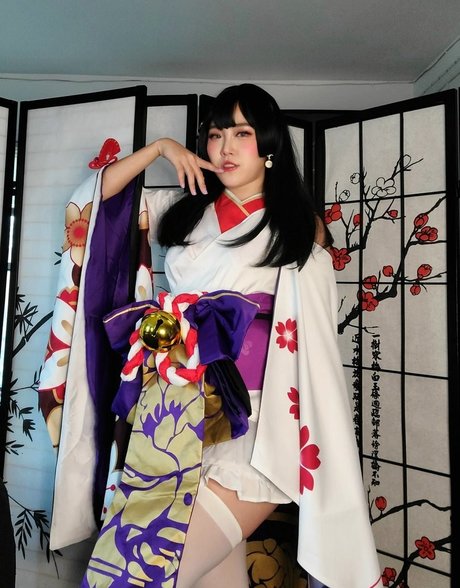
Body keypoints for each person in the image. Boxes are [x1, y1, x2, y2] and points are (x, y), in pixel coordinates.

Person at [82, 84, 382, 588]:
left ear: (269, 147)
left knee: (138, 571)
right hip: (177, 417)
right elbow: (95, 205)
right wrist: (160, 148)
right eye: (216, 134)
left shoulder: (296, 229)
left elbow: (312, 337)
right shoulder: (184, 210)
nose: (225, 147)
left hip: (256, 425)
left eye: (242, 134)